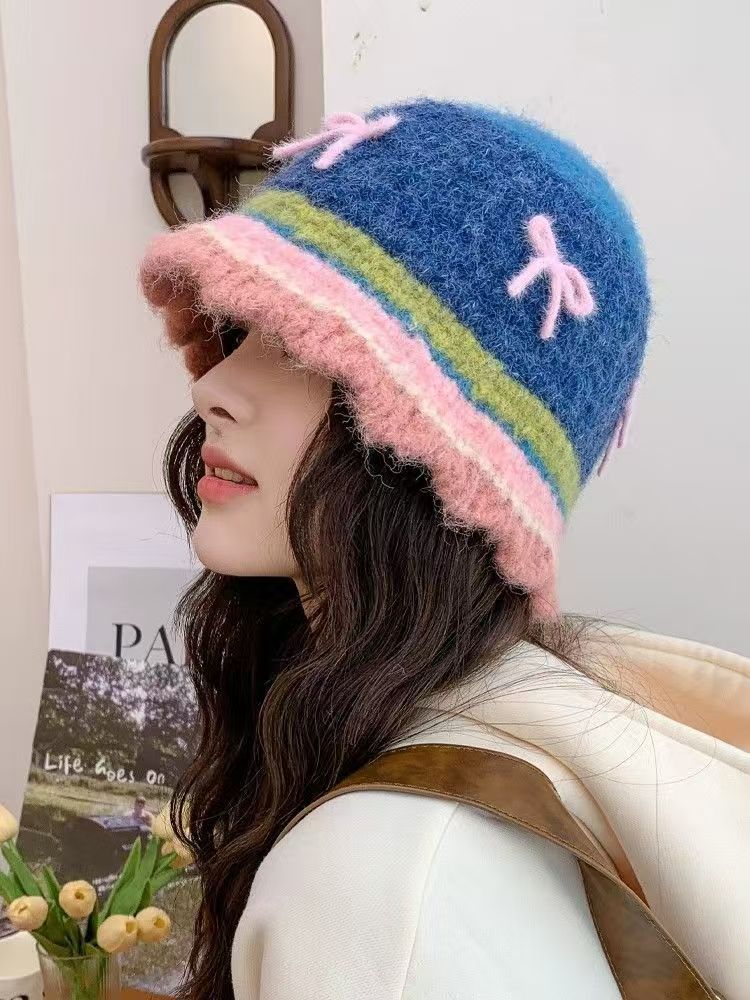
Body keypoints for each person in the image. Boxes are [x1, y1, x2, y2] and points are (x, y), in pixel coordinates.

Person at [139, 99, 749, 1000]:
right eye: (242, 332)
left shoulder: (374, 882)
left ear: (448, 457)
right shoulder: (481, 760)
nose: (214, 387)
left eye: (305, 346)